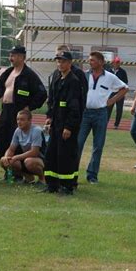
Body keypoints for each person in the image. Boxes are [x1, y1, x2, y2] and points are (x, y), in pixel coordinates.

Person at [0, 45, 47, 177]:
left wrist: (29, 107)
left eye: (14, 55)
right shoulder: (9, 72)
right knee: (1, 139)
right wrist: (2, 95)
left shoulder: (29, 75)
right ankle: (8, 169)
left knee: (16, 141)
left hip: (19, 111)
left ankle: (20, 172)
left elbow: (42, 94)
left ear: (22, 57)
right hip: (6, 110)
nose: (11, 58)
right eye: (11, 55)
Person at [77, 51, 129, 184]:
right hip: (85, 113)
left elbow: (124, 88)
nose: (90, 62)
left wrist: (111, 101)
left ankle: (92, 175)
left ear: (101, 62)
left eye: (93, 60)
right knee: (78, 143)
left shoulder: (110, 77)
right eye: (90, 60)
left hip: (100, 114)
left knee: (98, 145)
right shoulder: (84, 75)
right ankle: (73, 172)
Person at [44, 51, 84, 195]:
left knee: (66, 155)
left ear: (69, 63)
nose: (60, 64)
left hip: (66, 125)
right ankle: (52, 185)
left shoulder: (73, 81)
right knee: (51, 154)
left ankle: (67, 186)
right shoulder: (57, 78)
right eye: (58, 61)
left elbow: (75, 107)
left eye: (63, 61)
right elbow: (53, 101)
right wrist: (49, 116)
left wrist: (69, 127)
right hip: (56, 123)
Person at [0, 110, 47, 186]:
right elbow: (11, 149)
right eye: (18, 119)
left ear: (30, 121)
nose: (19, 122)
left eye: (22, 119)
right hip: (26, 159)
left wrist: (16, 157)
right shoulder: (18, 131)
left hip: (41, 159)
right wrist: (6, 157)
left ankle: (43, 179)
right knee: (3, 160)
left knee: (29, 162)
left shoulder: (37, 131)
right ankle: (28, 178)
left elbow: (34, 152)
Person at [107, 57, 128, 129]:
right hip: (111, 92)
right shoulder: (109, 71)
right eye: (116, 62)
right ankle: (105, 123)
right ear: (113, 63)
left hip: (120, 92)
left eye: (118, 62)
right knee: (108, 108)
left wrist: (122, 92)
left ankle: (116, 125)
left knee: (119, 109)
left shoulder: (123, 72)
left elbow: (125, 83)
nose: (117, 64)